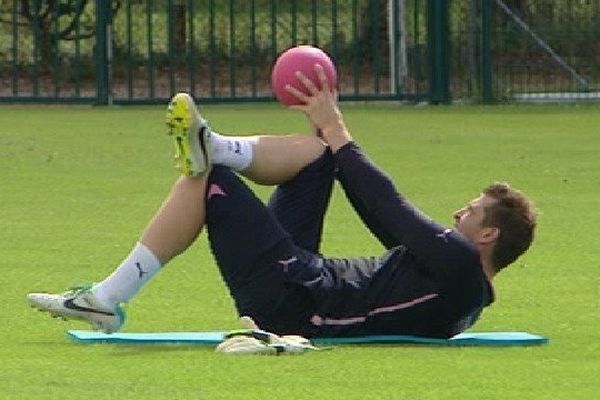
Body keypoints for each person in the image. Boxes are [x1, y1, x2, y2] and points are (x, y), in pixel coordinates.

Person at [28, 65, 537, 339]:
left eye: (470, 212)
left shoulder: (461, 268)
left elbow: (391, 210)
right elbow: (381, 214)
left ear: (489, 235)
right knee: (317, 157)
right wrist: (332, 145)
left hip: (298, 303)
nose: (458, 214)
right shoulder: (461, 288)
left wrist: (340, 128)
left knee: (208, 182)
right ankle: (216, 144)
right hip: (307, 282)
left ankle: (107, 300)